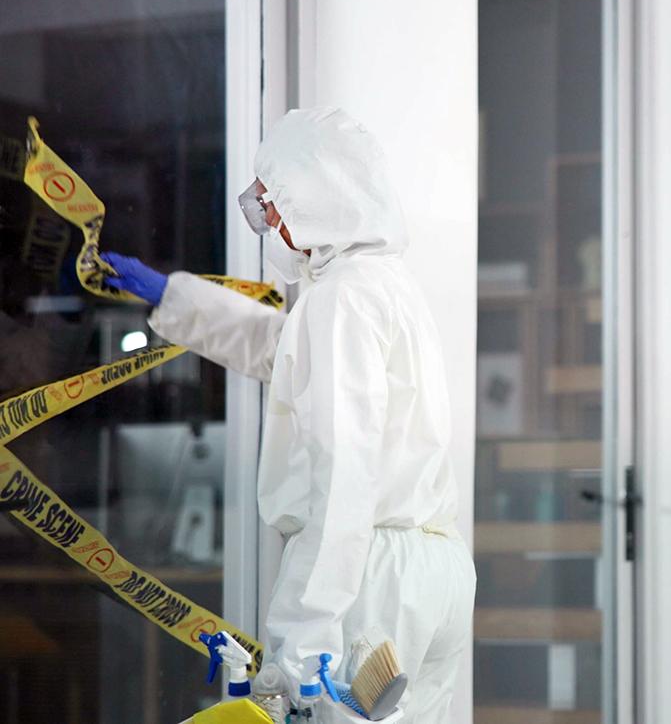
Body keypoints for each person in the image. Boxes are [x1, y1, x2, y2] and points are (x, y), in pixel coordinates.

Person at [102, 107, 476, 724]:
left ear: (317, 203)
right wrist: (173, 297)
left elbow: (344, 473)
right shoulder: (386, 287)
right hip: (434, 576)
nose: (269, 225)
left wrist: (307, 635)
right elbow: (283, 353)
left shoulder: (341, 301)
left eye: (273, 208)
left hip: (368, 581)